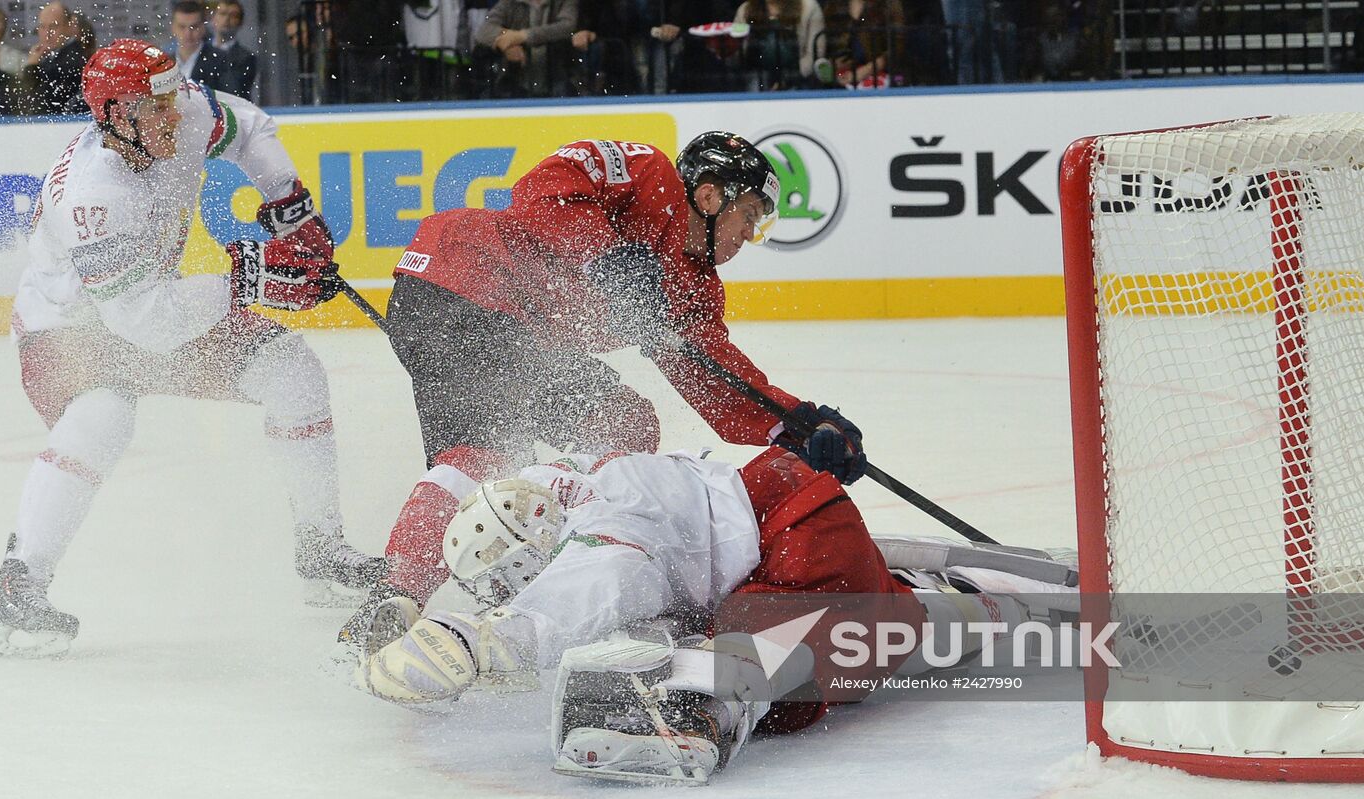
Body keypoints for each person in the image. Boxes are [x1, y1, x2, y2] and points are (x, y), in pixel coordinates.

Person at [336, 133, 869, 648]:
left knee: (582, 430)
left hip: (500, 324)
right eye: (748, 215)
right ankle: (569, 545)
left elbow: (715, 379)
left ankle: (402, 594)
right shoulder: (652, 175)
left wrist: (799, 424)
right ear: (710, 196)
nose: (747, 235)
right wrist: (604, 257)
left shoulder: (692, 284)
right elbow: (543, 189)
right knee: (520, 444)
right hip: (464, 273)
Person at [0, 39, 384, 658]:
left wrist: (289, 211)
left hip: (145, 307)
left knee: (293, 374)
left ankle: (322, 549)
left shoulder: (173, 111)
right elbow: (147, 325)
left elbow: (249, 125)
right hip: (66, 329)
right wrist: (255, 279)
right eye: (157, 105)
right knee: (103, 414)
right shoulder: (94, 197)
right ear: (115, 115)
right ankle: (19, 581)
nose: (178, 113)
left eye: (173, 96)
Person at [358, 447, 1073, 784]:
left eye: (505, 580)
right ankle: (960, 585)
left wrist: (486, 641)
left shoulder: (605, 539)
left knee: (771, 675)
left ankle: (996, 606)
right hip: (786, 517)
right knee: (704, 624)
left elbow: (598, 578)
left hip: (800, 548)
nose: (507, 590)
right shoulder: (558, 484)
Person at [473, 0, 578, 96]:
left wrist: (524, 36)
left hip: (560, 81)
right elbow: (484, 31)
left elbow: (567, 26)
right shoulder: (509, 3)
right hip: (517, 83)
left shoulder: (564, 2)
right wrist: (507, 44)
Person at [734, 0, 826, 88]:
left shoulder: (810, 7)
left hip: (798, 79)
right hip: (757, 79)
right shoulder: (745, 10)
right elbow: (739, 57)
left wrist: (787, 80)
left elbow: (815, 55)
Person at [17, 1, 84, 115]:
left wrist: (31, 67)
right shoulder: (53, 57)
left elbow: (36, 104)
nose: (47, 33)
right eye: (42, 27)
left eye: (53, 26)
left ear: (69, 27)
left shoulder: (70, 60)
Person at [169, 1, 230, 93]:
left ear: (203, 28)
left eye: (194, 27)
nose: (188, 34)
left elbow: (231, 100)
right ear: (173, 28)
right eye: (182, 27)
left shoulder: (221, 60)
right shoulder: (164, 63)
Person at [212, 0, 258, 100]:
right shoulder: (201, 51)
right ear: (213, 18)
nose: (226, 19)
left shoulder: (246, 58)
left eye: (233, 15)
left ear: (240, 22)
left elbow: (235, 91)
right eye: (222, 14)